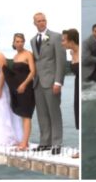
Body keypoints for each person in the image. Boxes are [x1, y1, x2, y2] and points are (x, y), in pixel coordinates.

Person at [30, 12, 66, 155]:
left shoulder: (56, 37)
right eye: (38, 21)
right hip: (38, 82)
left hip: (51, 81)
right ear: (34, 23)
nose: (41, 23)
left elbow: (61, 61)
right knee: (42, 114)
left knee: (54, 112)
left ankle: (57, 143)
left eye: (43, 20)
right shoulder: (33, 40)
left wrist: (58, 81)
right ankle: (45, 142)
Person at [3, 33, 36, 150]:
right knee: (22, 114)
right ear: (13, 43)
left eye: (21, 41)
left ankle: (25, 143)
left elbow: (32, 72)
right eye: (17, 41)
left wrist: (23, 84)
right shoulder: (15, 56)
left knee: (26, 115)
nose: (19, 43)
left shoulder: (28, 54)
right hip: (18, 89)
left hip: (26, 88)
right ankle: (23, 140)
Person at [61, 29, 79, 159]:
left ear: (71, 40)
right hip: (76, 84)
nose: (62, 43)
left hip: (79, 84)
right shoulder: (72, 53)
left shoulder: (80, 53)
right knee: (77, 114)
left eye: (64, 40)